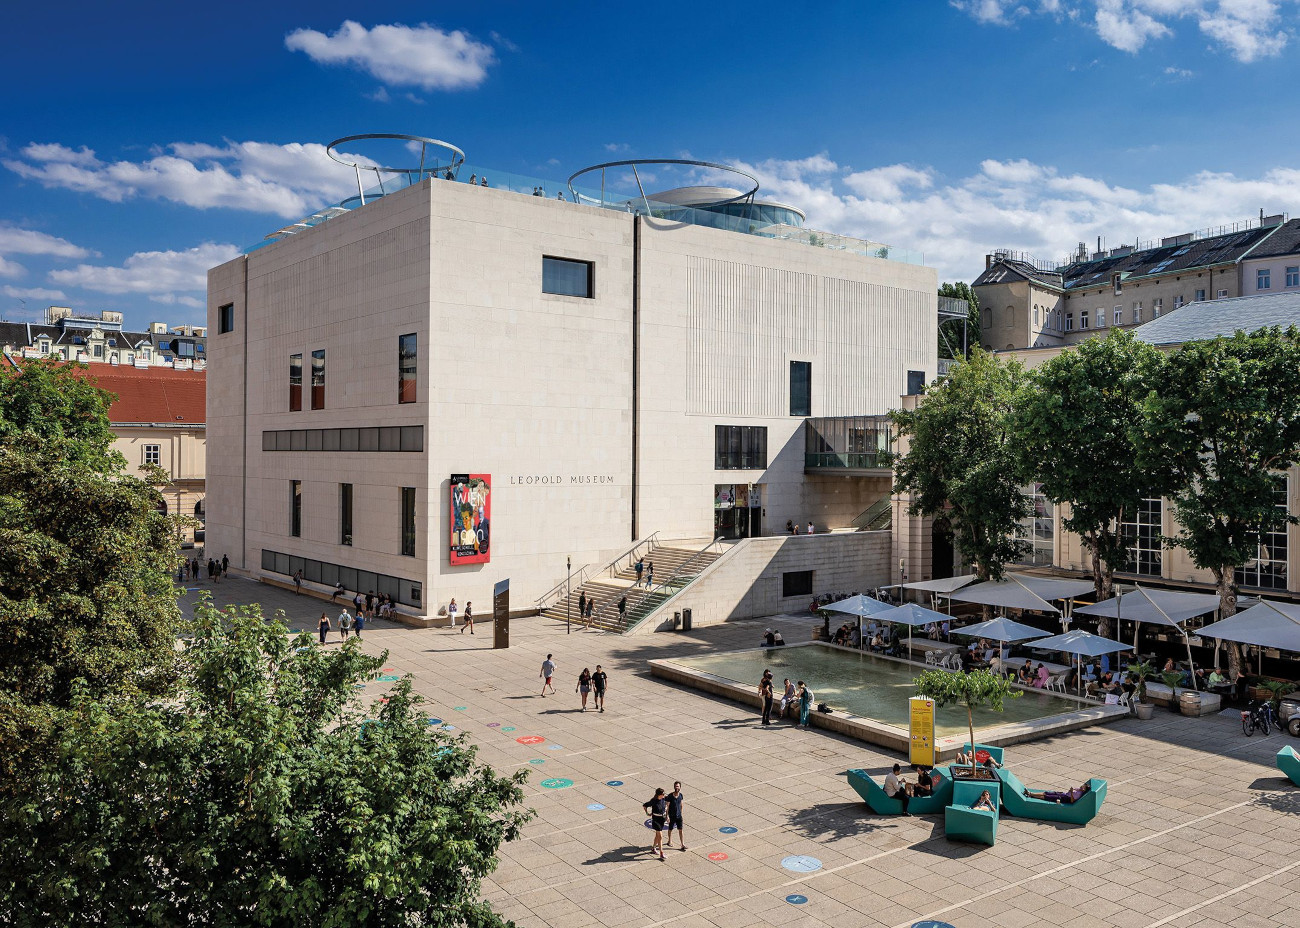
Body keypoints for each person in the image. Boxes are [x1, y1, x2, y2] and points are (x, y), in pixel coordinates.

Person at [643, 788, 669, 860]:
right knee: (660, 836)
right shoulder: (653, 801)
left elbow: (666, 807)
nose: (664, 795)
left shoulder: (663, 799)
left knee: (657, 836)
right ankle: (661, 853)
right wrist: (648, 813)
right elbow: (645, 805)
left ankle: (653, 848)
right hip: (656, 820)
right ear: (659, 795)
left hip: (662, 819)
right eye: (663, 794)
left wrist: (667, 816)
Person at [665, 781, 687, 850]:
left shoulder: (680, 795)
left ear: (680, 787)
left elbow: (681, 804)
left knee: (680, 829)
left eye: (678, 786)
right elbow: (667, 806)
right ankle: (669, 841)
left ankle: (682, 844)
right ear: (674, 787)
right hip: (672, 815)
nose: (676, 787)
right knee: (670, 829)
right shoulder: (670, 796)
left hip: (679, 816)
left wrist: (681, 812)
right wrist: (667, 816)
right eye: (675, 786)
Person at [1025, 783, 1090, 804]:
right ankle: (1031, 794)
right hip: (1063, 794)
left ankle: (1031, 794)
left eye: (1083, 786)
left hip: (1064, 798)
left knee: (1047, 797)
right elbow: (1069, 792)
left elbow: (1072, 801)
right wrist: (1070, 791)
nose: (1082, 786)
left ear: (1084, 789)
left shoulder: (1079, 794)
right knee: (1046, 793)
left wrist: (1071, 793)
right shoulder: (1078, 789)